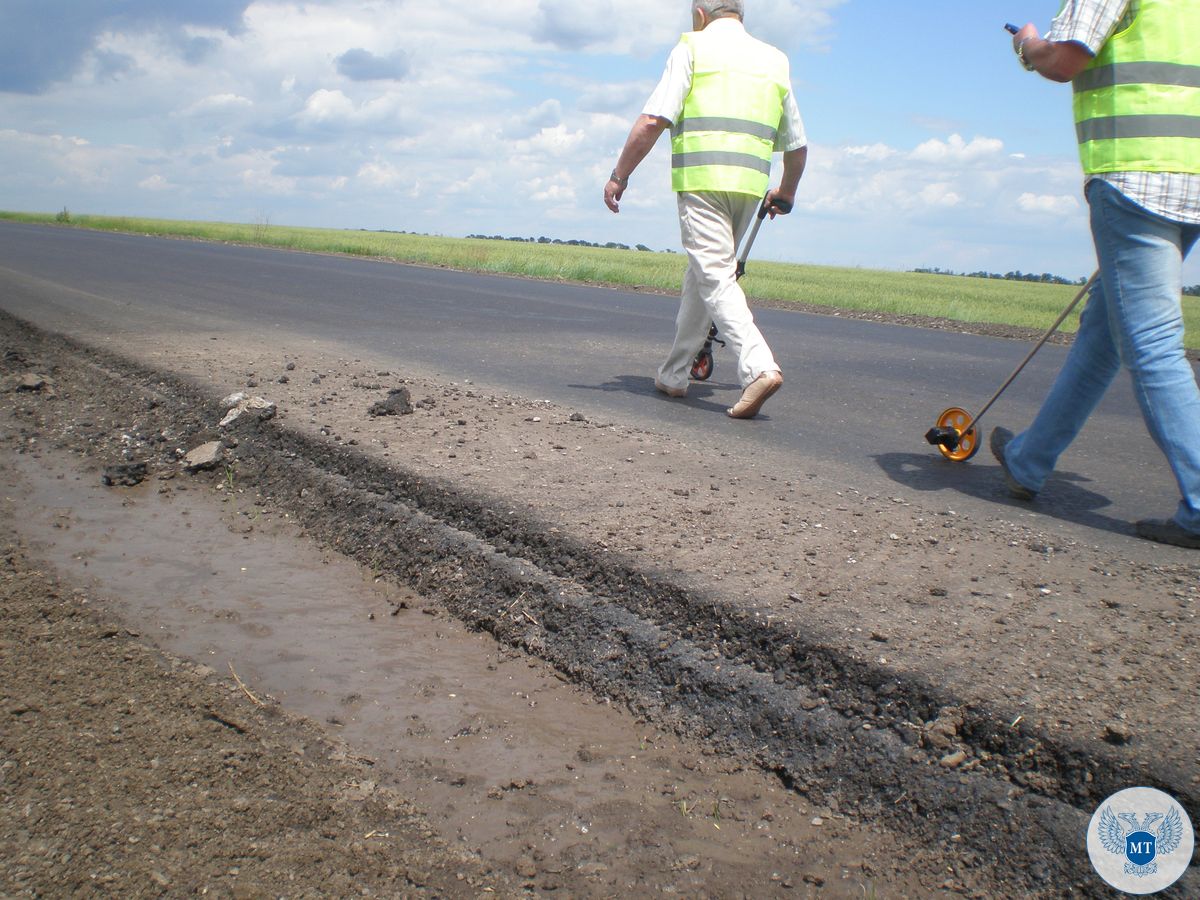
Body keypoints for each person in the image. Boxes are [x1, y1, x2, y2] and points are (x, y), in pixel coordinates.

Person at [992, 0, 1200, 549]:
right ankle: (1029, 459)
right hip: (1192, 176)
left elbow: (1064, 59)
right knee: (1105, 330)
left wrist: (1027, 45)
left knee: (1153, 344)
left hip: (1136, 177)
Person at [603, 0, 808, 419]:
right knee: (703, 274)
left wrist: (619, 176)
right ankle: (675, 374)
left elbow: (651, 120)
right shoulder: (774, 60)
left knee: (714, 276)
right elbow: (797, 144)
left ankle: (758, 367)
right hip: (748, 188)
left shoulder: (692, 48)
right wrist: (785, 191)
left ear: (700, 15)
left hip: (702, 181)